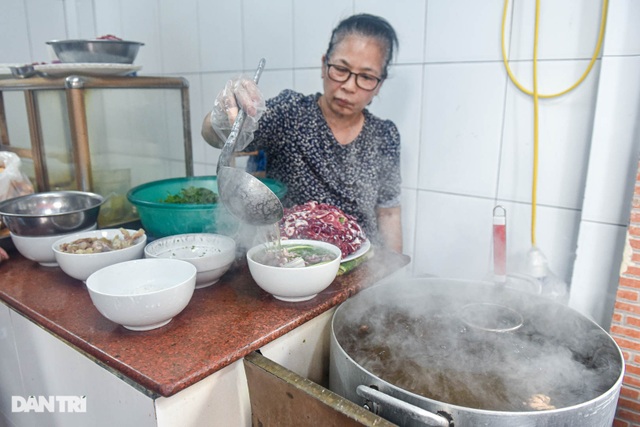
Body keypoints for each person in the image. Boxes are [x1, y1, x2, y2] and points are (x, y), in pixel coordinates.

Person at [202, 13, 403, 253]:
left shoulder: (385, 134)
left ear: (379, 85)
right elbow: (217, 137)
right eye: (340, 69)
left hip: (363, 266)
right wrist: (223, 115)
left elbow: (389, 212)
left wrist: (393, 271)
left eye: (367, 77)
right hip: (291, 261)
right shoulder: (290, 112)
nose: (349, 86)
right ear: (323, 65)